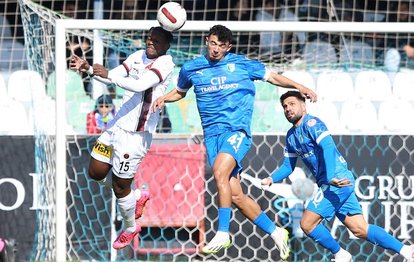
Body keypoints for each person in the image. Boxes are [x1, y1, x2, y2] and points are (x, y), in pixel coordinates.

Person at [151, 25, 317, 258]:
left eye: (221, 45)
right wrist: (163, 98)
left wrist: (298, 86)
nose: (216, 49)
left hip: (236, 131)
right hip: (212, 136)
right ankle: (276, 232)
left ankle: (222, 233)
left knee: (219, 171)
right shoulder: (191, 68)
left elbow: (272, 77)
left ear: (229, 47)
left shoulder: (241, 64)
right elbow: (180, 91)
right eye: (213, 43)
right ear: (206, 40)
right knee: (235, 195)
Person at [261, 91, 414, 262]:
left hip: (336, 181)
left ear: (303, 106)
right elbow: (288, 166)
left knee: (306, 223)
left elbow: (328, 147)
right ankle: (407, 251)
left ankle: (340, 254)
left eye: (292, 104)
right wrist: (271, 179)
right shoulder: (291, 136)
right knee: (360, 229)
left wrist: (330, 177)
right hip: (336, 182)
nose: (288, 108)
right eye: (285, 106)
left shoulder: (312, 124)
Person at [69, 26, 174, 250]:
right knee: (95, 173)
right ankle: (136, 195)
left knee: (119, 187)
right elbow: (114, 77)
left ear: (166, 45)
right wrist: (88, 69)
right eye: (149, 39)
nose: (150, 43)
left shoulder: (166, 63)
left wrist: (109, 75)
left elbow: (139, 85)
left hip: (136, 137)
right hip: (116, 128)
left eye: (156, 41)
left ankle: (129, 227)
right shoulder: (138, 56)